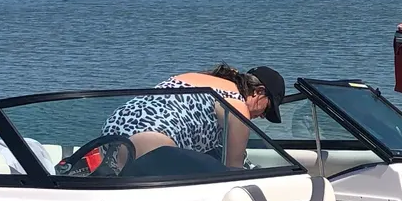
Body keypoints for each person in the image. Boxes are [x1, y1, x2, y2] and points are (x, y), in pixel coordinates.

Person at [103, 64, 286, 167]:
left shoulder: (192, 77)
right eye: (267, 110)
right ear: (259, 92)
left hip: (111, 134)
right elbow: (233, 169)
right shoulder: (236, 104)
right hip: (155, 141)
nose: (262, 117)